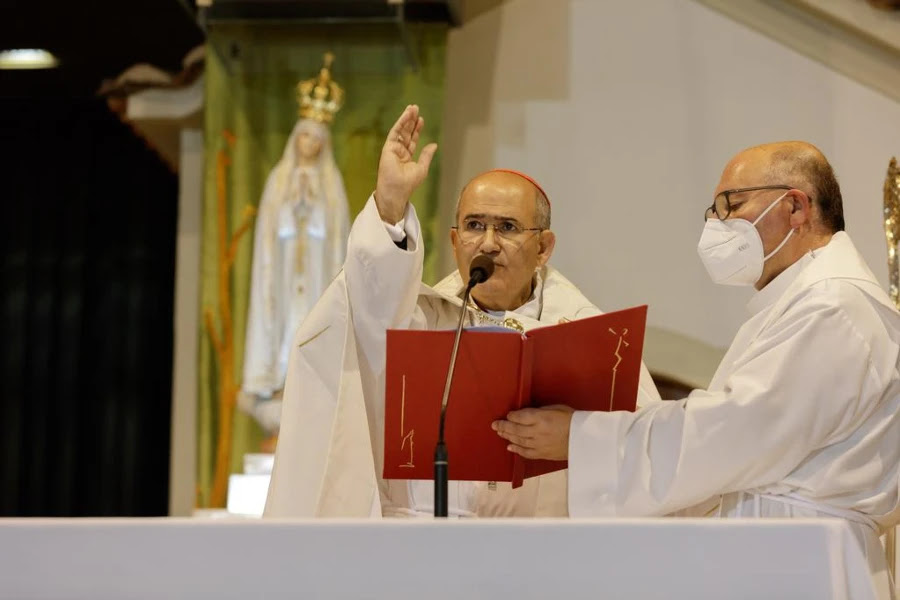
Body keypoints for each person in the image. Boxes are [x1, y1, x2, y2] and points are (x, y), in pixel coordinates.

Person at [494, 141, 900, 597]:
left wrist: (583, 436)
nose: (716, 224)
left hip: (800, 562)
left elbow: (733, 431)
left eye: (732, 204)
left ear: (795, 207)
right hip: (782, 551)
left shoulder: (833, 306)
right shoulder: (804, 302)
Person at [264, 105, 661, 518]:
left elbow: (647, 446)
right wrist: (390, 204)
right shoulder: (419, 322)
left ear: (543, 248)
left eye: (507, 228)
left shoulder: (591, 335)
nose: (487, 243)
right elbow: (366, 301)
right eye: (474, 226)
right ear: (455, 242)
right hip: (430, 545)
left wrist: (579, 435)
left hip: (543, 550)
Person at [240, 117, 350, 434]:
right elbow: (272, 231)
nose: (309, 143)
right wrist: (294, 207)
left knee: (312, 318)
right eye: (304, 136)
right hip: (284, 273)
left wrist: (311, 207)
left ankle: (311, 382)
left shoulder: (331, 182)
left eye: (316, 138)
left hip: (317, 272)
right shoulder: (279, 178)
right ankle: (277, 381)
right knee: (285, 322)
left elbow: (336, 232)